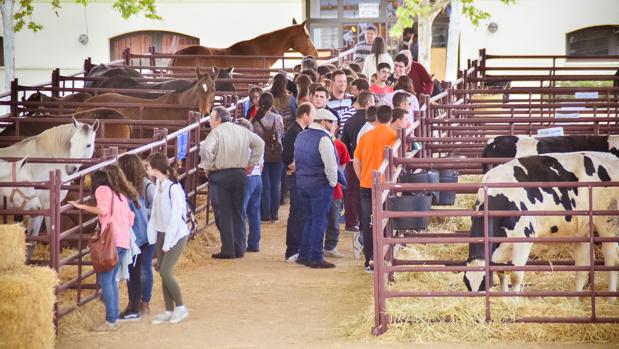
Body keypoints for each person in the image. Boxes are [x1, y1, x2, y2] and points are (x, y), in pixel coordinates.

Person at [69, 170, 135, 331]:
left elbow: (103, 210)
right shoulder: (119, 194)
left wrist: (82, 206)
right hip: (123, 240)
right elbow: (131, 218)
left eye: (88, 177)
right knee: (112, 280)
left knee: (106, 281)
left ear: (96, 180)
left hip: (110, 241)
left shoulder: (102, 190)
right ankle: (113, 318)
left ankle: (110, 320)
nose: (86, 180)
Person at [200, 106, 265, 259]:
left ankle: (228, 249)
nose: (209, 121)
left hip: (220, 175)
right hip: (240, 175)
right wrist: (252, 163)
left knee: (223, 213)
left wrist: (207, 166)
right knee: (237, 211)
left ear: (218, 119)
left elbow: (205, 150)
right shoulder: (242, 130)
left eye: (211, 117)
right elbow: (260, 144)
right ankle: (239, 247)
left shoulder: (216, 132)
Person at [144, 153, 190, 324]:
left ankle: (180, 307)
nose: (147, 169)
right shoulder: (158, 185)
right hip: (162, 234)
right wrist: (155, 235)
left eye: (148, 166)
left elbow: (175, 218)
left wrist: (168, 241)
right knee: (164, 273)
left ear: (156, 168)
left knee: (165, 271)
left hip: (176, 235)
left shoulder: (174, 189)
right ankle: (169, 310)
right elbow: (157, 213)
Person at [354, 105, 397, 272]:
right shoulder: (394, 136)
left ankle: (369, 261)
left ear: (376, 117)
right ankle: (385, 258)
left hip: (366, 184)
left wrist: (362, 177)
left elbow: (356, 161)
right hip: (385, 185)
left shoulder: (366, 136)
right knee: (386, 221)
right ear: (391, 118)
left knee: (368, 222)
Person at [294, 109, 338, 269]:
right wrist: (333, 183)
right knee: (319, 221)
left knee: (309, 219)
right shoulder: (324, 139)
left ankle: (304, 254)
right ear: (324, 122)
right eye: (331, 122)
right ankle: (315, 256)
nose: (332, 126)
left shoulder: (301, 135)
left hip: (302, 182)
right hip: (319, 184)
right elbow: (331, 165)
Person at [117, 153, 156, 318]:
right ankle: (135, 303)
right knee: (134, 269)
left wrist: (140, 212)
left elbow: (156, 209)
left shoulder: (147, 186)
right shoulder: (124, 188)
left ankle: (144, 303)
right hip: (136, 235)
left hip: (146, 234)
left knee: (143, 268)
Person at [282, 102, 315, 262]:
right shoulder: (295, 132)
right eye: (312, 114)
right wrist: (297, 167)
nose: (314, 118)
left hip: (298, 176)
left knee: (300, 213)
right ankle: (292, 250)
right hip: (296, 177)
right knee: (297, 213)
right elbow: (287, 156)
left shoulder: (297, 130)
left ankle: (297, 248)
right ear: (305, 115)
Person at [251, 93, 284, 223]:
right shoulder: (278, 118)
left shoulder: (255, 121)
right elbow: (281, 134)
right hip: (276, 154)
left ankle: (265, 214)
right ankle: (274, 214)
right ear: (272, 104)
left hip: (262, 156)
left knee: (265, 185)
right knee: (276, 185)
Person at [236, 118, 263, 252]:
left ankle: (240, 243)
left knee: (241, 211)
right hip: (257, 178)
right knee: (254, 212)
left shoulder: (242, 144)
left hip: (247, 178)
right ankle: (254, 243)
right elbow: (261, 165)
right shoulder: (257, 142)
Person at [324, 119, 350, 259]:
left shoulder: (340, 145)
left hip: (334, 189)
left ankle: (330, 245)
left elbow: (343, 167)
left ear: (336, 126)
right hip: (328, 188)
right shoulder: (339, 145)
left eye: (331, 122)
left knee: (333, 218)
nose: (329, 125)